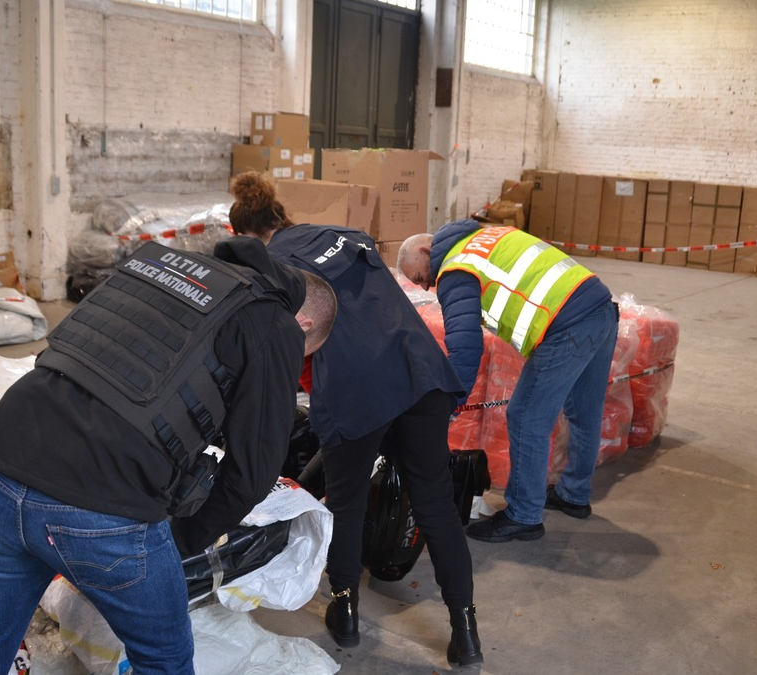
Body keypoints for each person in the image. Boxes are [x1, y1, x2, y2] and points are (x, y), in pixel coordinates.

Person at [0, 236, 336, 675]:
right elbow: (250, 476)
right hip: (103, 507)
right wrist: (176, 543)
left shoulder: (162, 265)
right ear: (304, 323)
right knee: (164, 660)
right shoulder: (276, 324)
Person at [227, 172, 484, 667]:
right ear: (280, 216)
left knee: (345, 505)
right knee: (435, 505)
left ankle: (344, 615)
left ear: (245, 234)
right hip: (419, 371)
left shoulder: (273, 270)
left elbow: (296, 350)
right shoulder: (344, 236)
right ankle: (465, 631)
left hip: (357, 389)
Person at [398, 219, 618, 543]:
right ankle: (574, 495)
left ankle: (523, 516)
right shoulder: (487, 235)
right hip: (600, 308)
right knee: (584, 413)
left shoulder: (456, 268)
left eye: (420, 277)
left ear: (426, 251)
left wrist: (448, 403)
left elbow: (464, 349)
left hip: (567, 326)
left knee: (526, 417)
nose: (425, 286)